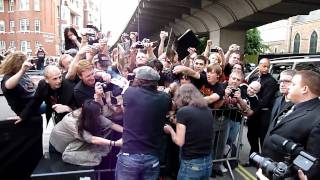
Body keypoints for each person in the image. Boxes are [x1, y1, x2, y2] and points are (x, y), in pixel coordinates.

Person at [115, 66, 171, 180]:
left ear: (139, 80)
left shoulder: (130, 92)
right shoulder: (165, 98)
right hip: (152, 156)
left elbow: (125, 109)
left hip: (130, 154)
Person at [262, 70, 320, 180]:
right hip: (268, 168)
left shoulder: (317, 117)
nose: (288, 87)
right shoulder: (292, 106)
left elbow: (311, 162)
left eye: (293, 84)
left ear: (304, 89)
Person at [0, 51, 43, 179]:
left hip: (34, 104)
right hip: (27, 108)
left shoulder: (24, 77)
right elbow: (8, 85)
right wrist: (22, 71)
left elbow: (32, 88)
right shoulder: (9, 78)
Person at [49, 99, 123, 166]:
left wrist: (128, 132)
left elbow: (111, 125)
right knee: (95, 157)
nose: (99, 116)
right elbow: (92, 139)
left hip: (75, 141)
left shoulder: (89, 112)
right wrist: (115, 143)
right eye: (98, 114)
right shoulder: (72, 122)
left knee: (103, 149)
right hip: (60, 145)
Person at [164, 84, 213, 179]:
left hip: (191, 163)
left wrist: (170, 130)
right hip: (207, 162)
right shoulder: (208, 110)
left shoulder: (183, 112)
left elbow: (179, 142)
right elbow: (196, 127)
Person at [248, 58, 278, 149]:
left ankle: (262, 161)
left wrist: (253, 111)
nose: (266, 69)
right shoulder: (253, 78)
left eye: (268, 67)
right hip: (253, 114)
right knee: (251, 137)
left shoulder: (271, 81)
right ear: (259, 65)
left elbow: (266, 100)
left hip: (263, 114)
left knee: (262, 138)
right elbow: (248, 93)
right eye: (264, 66)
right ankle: (252, 160)